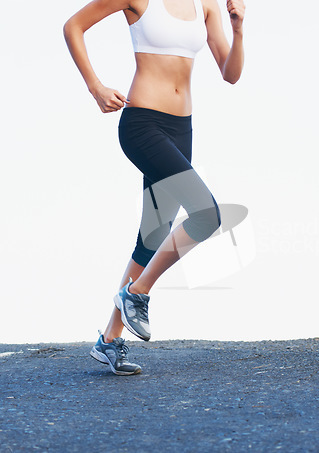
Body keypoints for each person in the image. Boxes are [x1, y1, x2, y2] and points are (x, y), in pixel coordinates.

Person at [63, 0, 245, 375]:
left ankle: (109, 340)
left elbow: (231, 73)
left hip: (181, 130)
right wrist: (95, 87)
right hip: (142, 124)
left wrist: (238, 28)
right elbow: (73, 26)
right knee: (206, 214)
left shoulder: (206, 6)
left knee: (153, 234)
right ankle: (138, 292)